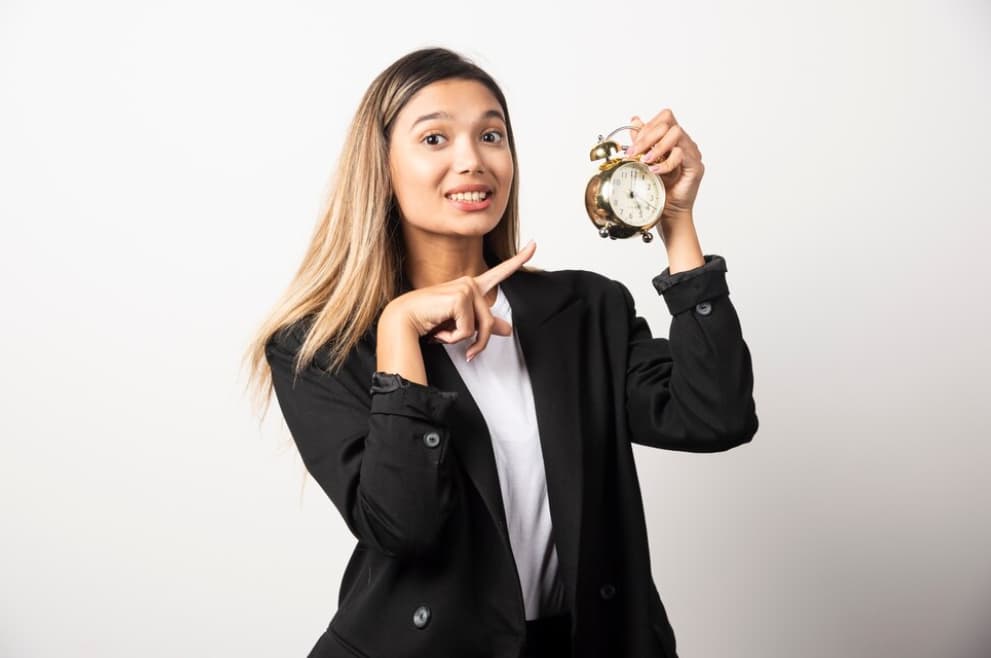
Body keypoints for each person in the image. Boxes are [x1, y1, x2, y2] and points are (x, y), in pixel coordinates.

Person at [244, 46, 758, 658]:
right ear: (381, 168)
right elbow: (404, 528)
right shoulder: (319, 346)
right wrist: (398, 326)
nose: (472, 160)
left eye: (491, 134)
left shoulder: (586, 310)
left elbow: (714, 415)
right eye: (435, 139)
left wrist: (675, 222)